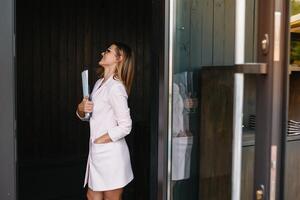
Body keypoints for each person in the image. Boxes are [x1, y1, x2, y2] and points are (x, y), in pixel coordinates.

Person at [76, 42, 134, 200]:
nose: (103, 53)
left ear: (119, 58)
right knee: (92, 196)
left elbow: (126, 126)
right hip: (97, 154)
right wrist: (81, 109)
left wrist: (101, 139)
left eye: (108, 51)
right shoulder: (98, 84)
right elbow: (89, 117)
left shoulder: (116, 88)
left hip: (111, 156)